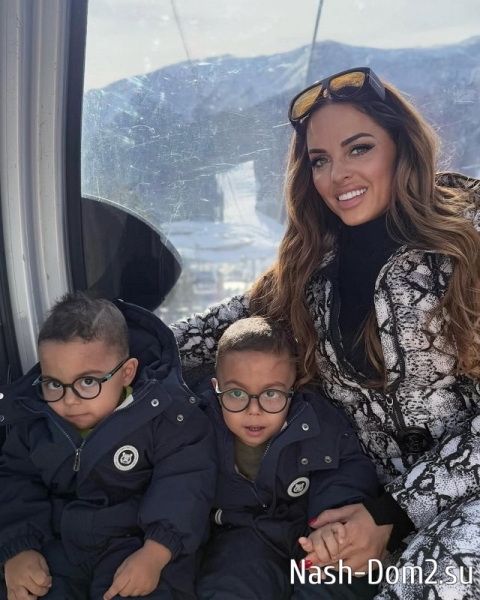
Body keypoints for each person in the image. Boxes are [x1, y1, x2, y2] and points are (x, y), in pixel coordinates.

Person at [170, 67, 480, 598]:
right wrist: (103, 356)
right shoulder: (309, 268)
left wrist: (393, 513)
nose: (337, 175)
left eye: (359, 148)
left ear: (401, 146)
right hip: (356, 501)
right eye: (319, 160)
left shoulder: (465, 248)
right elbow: (209, 332)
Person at [0, 293, 216, 600]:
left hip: (139, 548)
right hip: (59, 546)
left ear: (126, 373)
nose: (69, 400)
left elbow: (185, 484)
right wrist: (17, 548)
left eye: (88, 382)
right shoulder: (35, 420)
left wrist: (156, 553)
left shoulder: (167, 416)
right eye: (54, 384)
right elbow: (16, 480)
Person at [195, 316, 379, 600]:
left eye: (271, 394)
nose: (254, 410)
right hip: (242, 534)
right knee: (228, 587)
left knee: (339, 574)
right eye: (236, 393)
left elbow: (343, 471)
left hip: (312, 528)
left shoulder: (316, 422)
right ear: (216, 388)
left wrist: (333, 525)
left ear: (293, 390)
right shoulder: (197, 426)